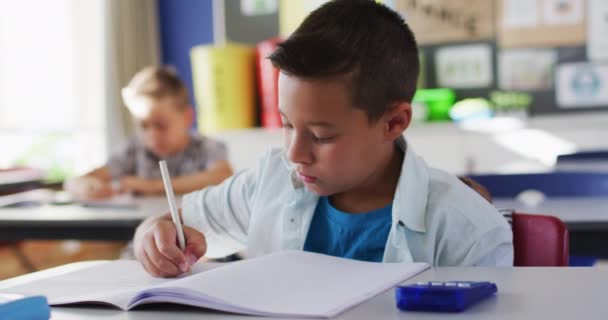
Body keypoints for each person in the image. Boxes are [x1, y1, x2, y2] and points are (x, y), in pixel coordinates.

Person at [133, 0, 513, 278]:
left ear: (394, 121)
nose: (295, 154)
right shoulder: (270, 181)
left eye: (321, 136)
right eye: (286, 124)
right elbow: (170, 224)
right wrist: (154, 238)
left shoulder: (467, 230)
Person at [64, 66, 233, 200]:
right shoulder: (136, 150)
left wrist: (148, 186)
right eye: (143, 126)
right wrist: (86, 186)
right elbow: (75, 181)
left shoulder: (206, 147)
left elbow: (222, 176)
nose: (152, 135)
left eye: (161, 125)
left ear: (187, 118)